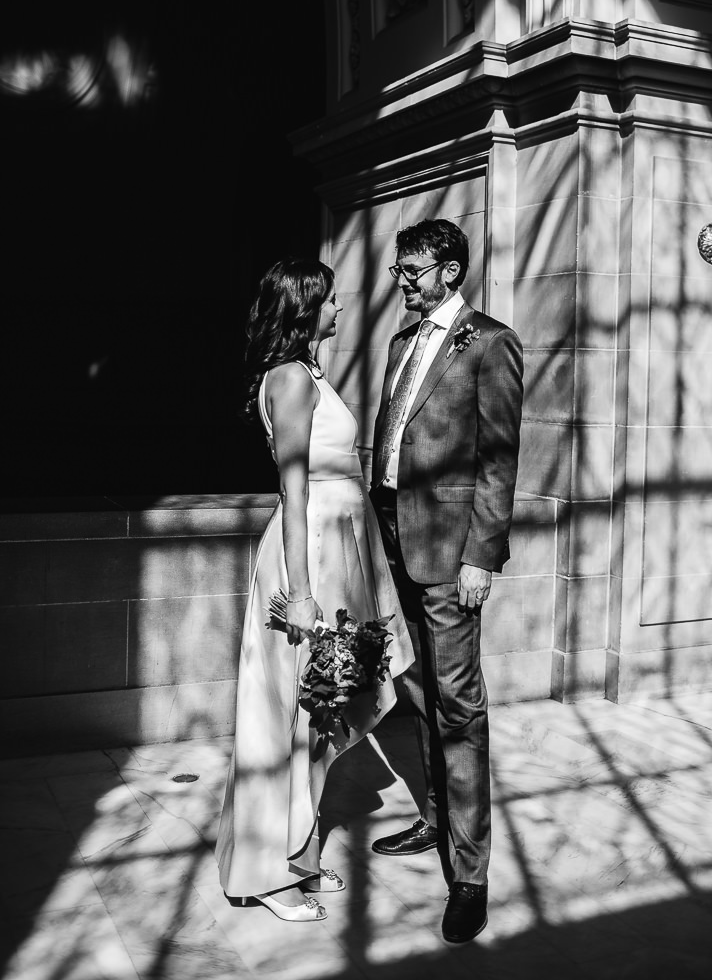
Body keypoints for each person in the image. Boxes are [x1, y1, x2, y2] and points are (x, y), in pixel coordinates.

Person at [215, 258, 413, 923]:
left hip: (342, 553)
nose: (339, 309)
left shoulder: (313, 372)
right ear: (304, 309)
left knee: (330, 707)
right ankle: (272, 872)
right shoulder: (294, 378)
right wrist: (300, 592)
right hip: (311, 559)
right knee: (294, 712)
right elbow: (294, 489)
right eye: (330, 301)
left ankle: (298, 852)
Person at [369, 218, 523, 944]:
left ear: (452, 271)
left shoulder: (491, 343)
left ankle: (470, 877)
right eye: (402, 268)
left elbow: (497, 459)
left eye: (415, 269)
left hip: (449, 553)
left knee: (460, 709)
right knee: (420, 693)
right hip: (396, 544)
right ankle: (434, 821)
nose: (403, 279)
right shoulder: (402, 341)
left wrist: (480, 558)